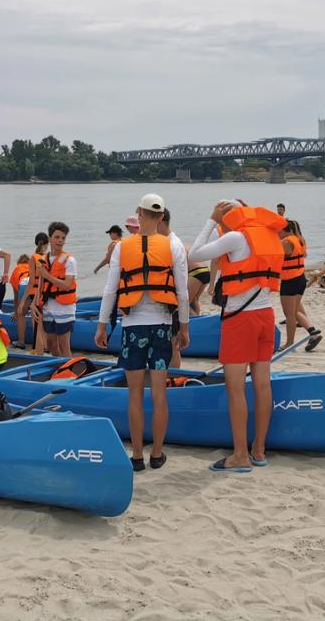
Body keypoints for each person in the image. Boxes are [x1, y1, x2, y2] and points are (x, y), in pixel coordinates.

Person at [189, 200, 285, 472]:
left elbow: (193, 253)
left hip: (239, 318)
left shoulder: (235, 237)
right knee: (262, 385)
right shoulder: (269, 234)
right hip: (266, 316)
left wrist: (210, 218)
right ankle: (259, 450)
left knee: (235, 388)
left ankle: (240, 455)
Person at [95, 194, 190, 472]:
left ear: (139, 213)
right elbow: (182, 293)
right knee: (159, 394)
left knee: (134, 395)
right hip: (161, 326)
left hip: (132, 327)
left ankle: (137, 456)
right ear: (161, 217)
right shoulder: (174, 247)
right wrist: (184, 327)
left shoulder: (122, 247)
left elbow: (110, 290)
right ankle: (157, 454)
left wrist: (102, 325)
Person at [35, 222, 77, 358]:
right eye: (57, 237)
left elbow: (67, 284)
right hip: (48, 306)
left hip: (64, 307)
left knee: (64, 344)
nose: (60, 241)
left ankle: (69, 371)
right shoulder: (44, 259)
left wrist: (47, 275)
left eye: (63, 238)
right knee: (51, 343)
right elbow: (41, 283)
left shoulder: (69, 260)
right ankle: (60, 366)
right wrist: (34, 302)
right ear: (50, 238)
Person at [279, 220, 322, 352]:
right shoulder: (299, 240)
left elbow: (274, 258)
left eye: (278, 231)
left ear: (283, 230)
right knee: (296, 310)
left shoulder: (285, 242)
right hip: (300, 278)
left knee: (289, 315)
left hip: (290, 280)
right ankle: (313, 332)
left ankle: (289, 343)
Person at [156, 207, 187, 368]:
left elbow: (182, 288)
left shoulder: (173, 244)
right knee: (168, 345)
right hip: (163, 302)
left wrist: (184, 325)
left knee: (173, 345)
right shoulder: (163, 242)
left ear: (159, 221)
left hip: (170, 304)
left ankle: (174, 378)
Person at [15, 232, 49, 354]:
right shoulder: (48, 257)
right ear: (48, 243)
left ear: (36, 243)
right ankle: (46, 346)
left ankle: (38, 347)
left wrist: (22, 301)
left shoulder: (33, 258)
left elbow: (30, 282)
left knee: (36, 321)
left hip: (35, 292)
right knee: (42, 319)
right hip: (46, 292)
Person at [9, 255, 32, 347]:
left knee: (21, 315)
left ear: (18, 262)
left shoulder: (17, 269)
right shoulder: (32, 266)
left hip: (24, 284)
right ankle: (43, 345)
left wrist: (16, 312)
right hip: (35, 284)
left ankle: (21, 342)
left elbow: (16, 297)